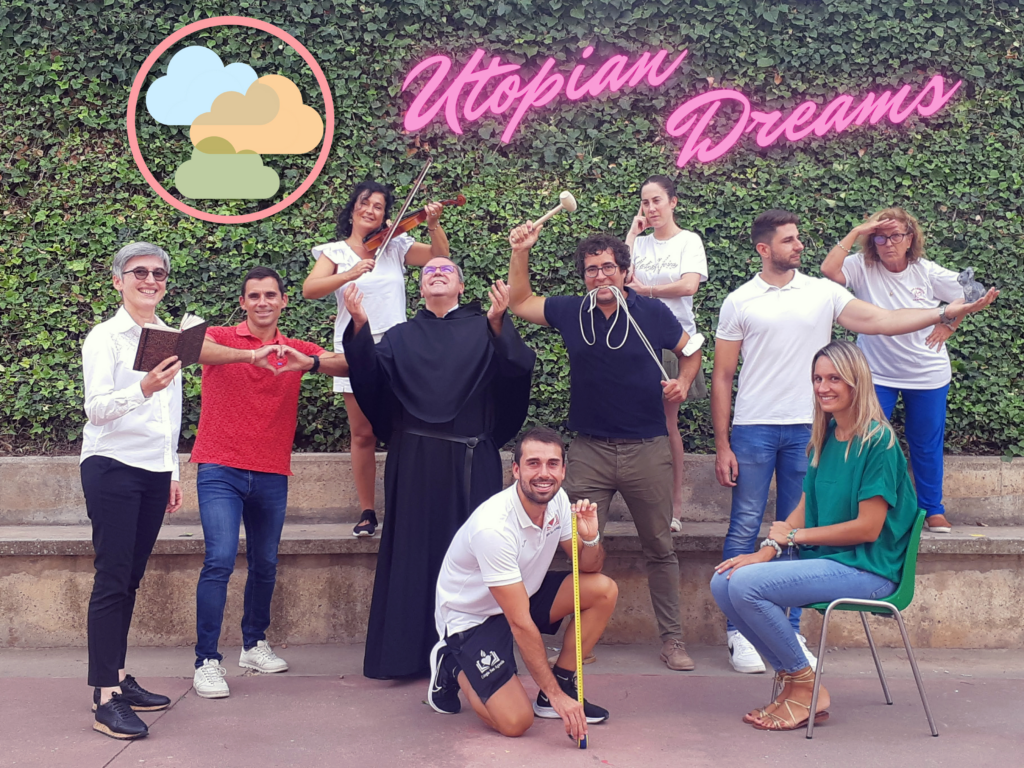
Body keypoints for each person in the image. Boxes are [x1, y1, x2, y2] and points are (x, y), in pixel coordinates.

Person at [712, 209, 998, 676]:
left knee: (800, 526)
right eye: (788, 240)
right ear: (764, 249)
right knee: (744, 526)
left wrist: (944, 312)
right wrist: (722, 443)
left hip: (809, 429)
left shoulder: (822, 292)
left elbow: (882, 320)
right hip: (754, 427)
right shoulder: (739, 300)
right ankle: (739, 635)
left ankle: (790, 632)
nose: (799, 245)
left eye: (798, 237)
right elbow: (722, 376)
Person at [81, 244, 281, 739]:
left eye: (159, 273)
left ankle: (117, 677)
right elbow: (95, 409)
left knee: (130, 580)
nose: (150, 280)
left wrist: (170, 471)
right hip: (112, 466)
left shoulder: (170, 337)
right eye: (139, 272)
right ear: (118, 281)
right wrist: (143, 387)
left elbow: (170, 415)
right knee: (112, 579)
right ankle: (104, 697)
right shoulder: (105, 337)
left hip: (153, 471)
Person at [508, 223, 703, 671]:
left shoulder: (652, 312)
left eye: (608, 267)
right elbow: (520, 302)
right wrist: (521, 252)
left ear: (625, 271)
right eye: (592, 269)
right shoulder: (572, 311)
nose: (600, 276)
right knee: (578, 549)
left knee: (660, 548)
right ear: (584, 276)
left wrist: (683, 381)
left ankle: (673, 640)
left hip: (647, 448)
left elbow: (691, 349)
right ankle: (580, 642)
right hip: (590, 451)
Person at [341, 257, 536, 679]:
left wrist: (499, 323)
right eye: (428, 271)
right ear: (420, 288)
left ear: (461, 286)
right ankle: (406, 657)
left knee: (478, 555)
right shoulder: (400, 336)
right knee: (411, 552)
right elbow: (369, 378)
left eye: (446, 269)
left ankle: (475, 657)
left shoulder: (486, 328)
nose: (436, 273)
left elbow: (518, 369)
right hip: (414, 460)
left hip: (472, 460)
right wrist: (358, 326)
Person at [711, 340, 919, 731]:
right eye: (818, 378)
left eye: (834, 378)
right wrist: (767, 549)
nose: (823, 387)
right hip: (831, 561)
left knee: (747, 587)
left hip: (870, 569)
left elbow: (868, 527)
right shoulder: (826, 436)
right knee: (724, 581)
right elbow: (804, 506)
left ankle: (805, 684)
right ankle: (796, 683)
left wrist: (795, 537)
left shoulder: (878, 442)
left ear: (856, 381)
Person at [189, 266, 349, 699]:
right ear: (243, 302)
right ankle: (206, 661)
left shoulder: (293, 348)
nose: (262, 302)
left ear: (283, 302)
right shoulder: (221, 337)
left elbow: (348, 362)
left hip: (272, 471)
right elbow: (193, 348)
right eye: (254, 296)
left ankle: (253, 644)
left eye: (270, 295)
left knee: (265, 563)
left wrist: (308, 362)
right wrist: (250, 356)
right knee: (219, 560)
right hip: (219, 468)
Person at [428, 427, 618, 742]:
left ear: (563, 470)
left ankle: (562, 682)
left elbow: (588, 567)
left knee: (603, 589)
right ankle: (452, 663)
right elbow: (520, 623)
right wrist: (559, 699)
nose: (544, 473)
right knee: (516, 722)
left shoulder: (559, 500)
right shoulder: (494, 528)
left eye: (552, 464)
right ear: (516, 470)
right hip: (473, 618)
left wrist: (590, 537)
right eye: (533, 463)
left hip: (523, 594)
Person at [303, 180, 450, 538]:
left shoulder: (395, 245)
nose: (371, 210)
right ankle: (367, 511)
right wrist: (350, 273)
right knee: (363, 433)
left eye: (379, 206)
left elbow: (440, 258)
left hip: (398, 348)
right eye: (365, 203)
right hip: (355, 348)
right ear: (353, 208)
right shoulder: (335, 253)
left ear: (386, 216)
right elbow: (310, 289)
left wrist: (433, 224)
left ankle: (408, 506)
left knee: (409, 428)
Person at [821, 207, 969, 533]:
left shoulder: (926, 271)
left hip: (927, 374)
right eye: (880, 237)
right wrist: (858, 230)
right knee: (866, 440)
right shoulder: (861, 266)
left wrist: (949, 324)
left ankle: (932, 510)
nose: (888, 243)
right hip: (876, 374)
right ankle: (861, 512)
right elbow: (829, 269)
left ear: (910, 239)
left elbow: (971, 292)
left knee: (925, 444)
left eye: (896, 236)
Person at [624, 174, 709, 531]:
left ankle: (673, 507)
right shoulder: (640, 243)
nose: (650, 208)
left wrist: (648, 292)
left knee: (666, 424)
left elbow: (689, 285)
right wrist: (632, 235)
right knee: (633, 424)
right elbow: (619, 278)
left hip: (673, 342)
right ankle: (643, 504)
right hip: (634, 341)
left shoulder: (689, 240)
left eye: (657, 200)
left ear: (673, 202)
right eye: (645, 202)